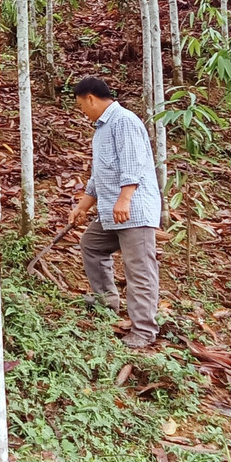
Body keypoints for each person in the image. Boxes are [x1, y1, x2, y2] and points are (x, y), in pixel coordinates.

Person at [66, 75, 162, 349]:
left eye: (80, 105)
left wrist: (125, 198)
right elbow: (99, 174)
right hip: (112, 211)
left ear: (90, 98)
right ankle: (106, 301)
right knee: (92, 245)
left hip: (132, 211)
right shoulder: (102, 129)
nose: (81, 111)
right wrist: (83, 205)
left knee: (139, 270)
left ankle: (143, 331)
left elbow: (133, 163)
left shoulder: (125, 122)